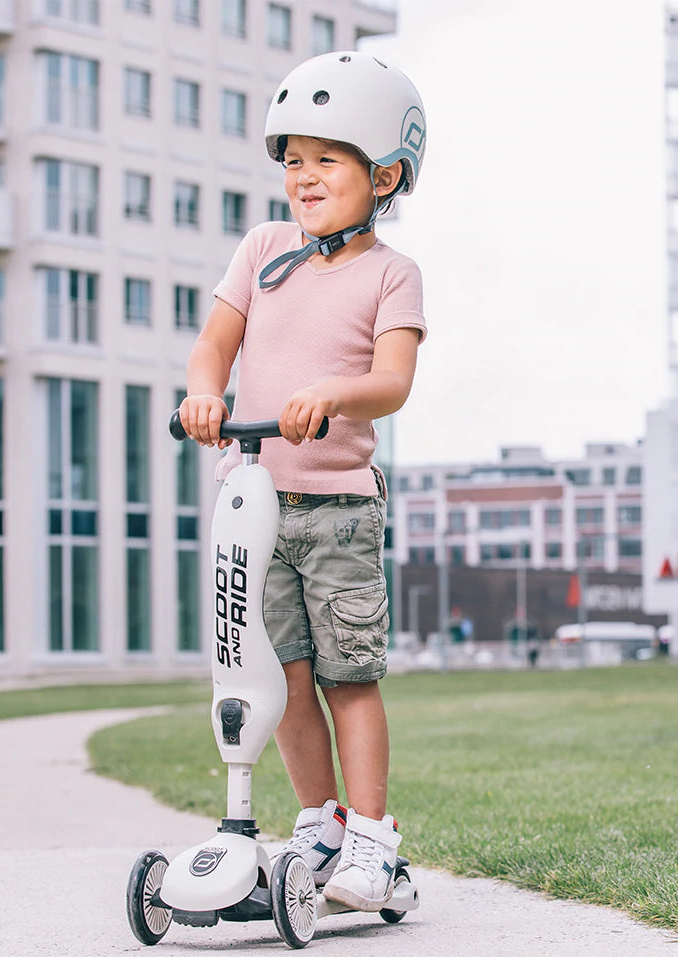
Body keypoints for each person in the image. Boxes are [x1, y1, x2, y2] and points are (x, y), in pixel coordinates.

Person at [178, 50, 427, 912]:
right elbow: (215, 342)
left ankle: (370, 841)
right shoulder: (262, 250)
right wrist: (205, 391)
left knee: (346, 676)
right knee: (277, 678)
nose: (305, 177)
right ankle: (316, 824)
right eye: (294, 161)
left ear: (385, 171)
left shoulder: (391, 273)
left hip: (338, 509)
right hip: (251, 501)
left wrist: (334, 392)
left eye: (328, 158)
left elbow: (393, 380)